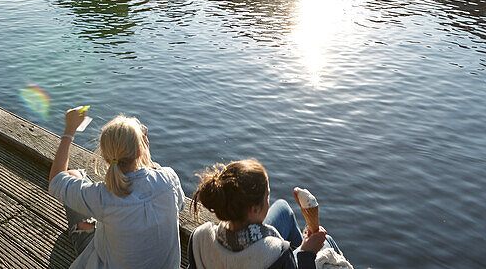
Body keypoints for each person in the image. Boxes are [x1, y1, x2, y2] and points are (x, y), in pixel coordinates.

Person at [48, 108, 186, 269]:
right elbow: (179, 205)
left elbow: (56, 181)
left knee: (73, 175)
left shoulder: (104, 197)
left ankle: (85, 228)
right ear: (141, 149)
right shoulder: (169, 178)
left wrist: (69, 131)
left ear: (106, 156)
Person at [187, 160, 340, 269]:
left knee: (283, 208)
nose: (268, 199)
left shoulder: (199, 238)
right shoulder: (276, 254)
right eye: (267, 195)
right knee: (327, 242)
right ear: (254, 209)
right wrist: (307, 254)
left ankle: (304, 244)